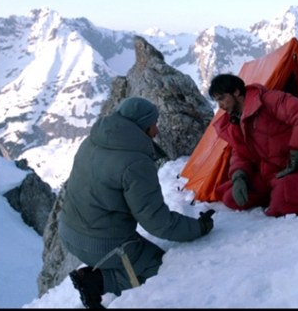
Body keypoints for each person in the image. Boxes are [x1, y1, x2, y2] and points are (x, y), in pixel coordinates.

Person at [59, 97, 215, 309]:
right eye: (154, 124)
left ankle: (102, 273)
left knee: (141, 256)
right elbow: (156, 221)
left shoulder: (92, 141)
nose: (157, 130)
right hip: (102, 244)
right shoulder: (135, 163)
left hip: (68, 231)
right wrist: (198, 228)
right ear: (142, 125)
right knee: (160, 268)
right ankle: (95, 282)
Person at [209, 74, 298, 217]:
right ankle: (275, 193)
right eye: (217, 101)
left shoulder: (268, 100)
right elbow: (240, 152)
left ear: (236, 92)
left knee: (283, 204)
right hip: (266, 174)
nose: (220, 105)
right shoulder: (235, 120)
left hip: (292, 168)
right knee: (231, 198)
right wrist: (239, 177)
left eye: (222, 98)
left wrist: (297, 155)